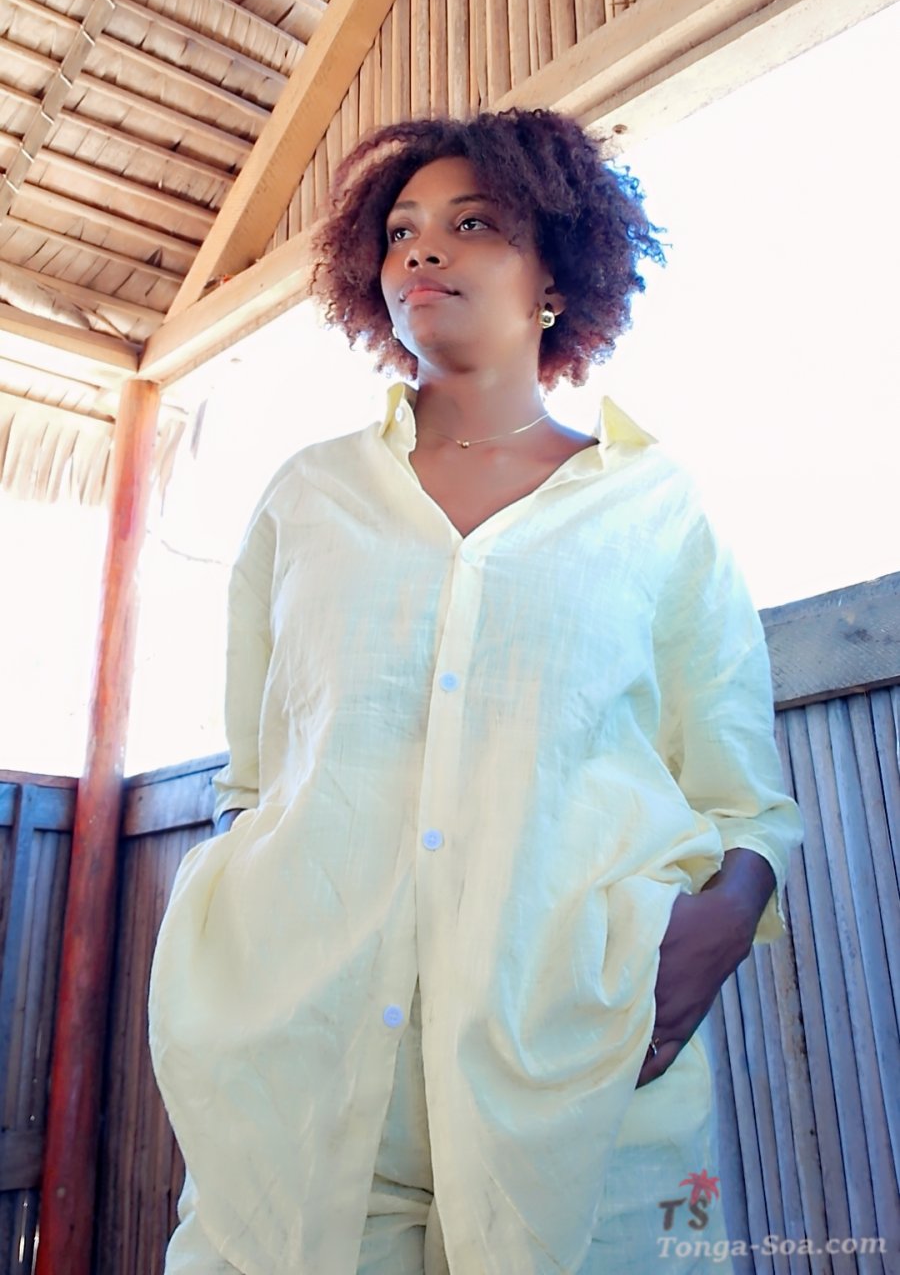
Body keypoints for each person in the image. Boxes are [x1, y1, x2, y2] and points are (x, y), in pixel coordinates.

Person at [149, 108, 803, 1275]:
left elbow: (742, 798)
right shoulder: (307, 499)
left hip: (578, 1083)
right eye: (402, 229)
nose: (422, 249)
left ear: (556, 274)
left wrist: (718, 932)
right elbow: (254, 779)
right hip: (302, 1092)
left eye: (473, 223)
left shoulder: (654, 510)